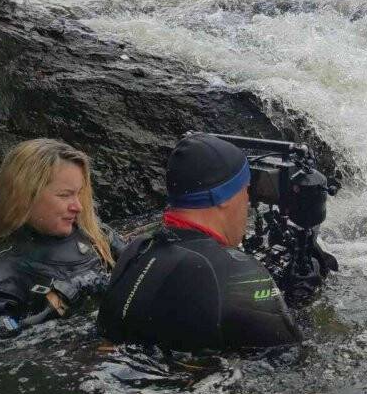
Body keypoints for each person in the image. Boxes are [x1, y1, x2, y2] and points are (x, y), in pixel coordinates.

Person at [97, 133, 301, 353]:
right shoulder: (235, 271)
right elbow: (293, 356)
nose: (249, 202)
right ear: (223, 198)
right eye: (246, 190)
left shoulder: (137, 248)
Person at [0, 139, 121, 340]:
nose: (78, 206)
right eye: (65, 195)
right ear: (24, 196)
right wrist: (57, 303)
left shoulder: (95, 236)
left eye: (79, 194)